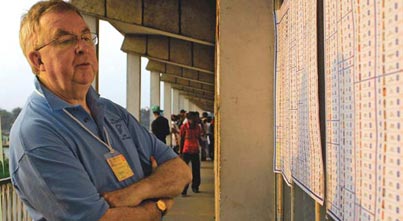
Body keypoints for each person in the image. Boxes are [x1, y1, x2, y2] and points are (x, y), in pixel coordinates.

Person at [9, 1, 191, 221]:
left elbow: (180, 171)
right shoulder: (36, 133)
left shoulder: (113, 112)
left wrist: (133, 194)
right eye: (65, 40)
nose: (82, 47)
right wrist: (158, 206)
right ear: (38, 60)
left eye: (86, 37)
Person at [179, 112, 203, 196]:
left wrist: (202, 145)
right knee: (185, 171)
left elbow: (199, 137)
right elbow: (181, 139)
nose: (196, 121)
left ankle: (195, 186)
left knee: (196, 170)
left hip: (195, 150)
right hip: (186, 150)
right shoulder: (184, 127)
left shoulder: (198, 127)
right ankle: (184, 189)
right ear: (189, 119)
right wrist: (180, 151)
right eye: (194, 119)